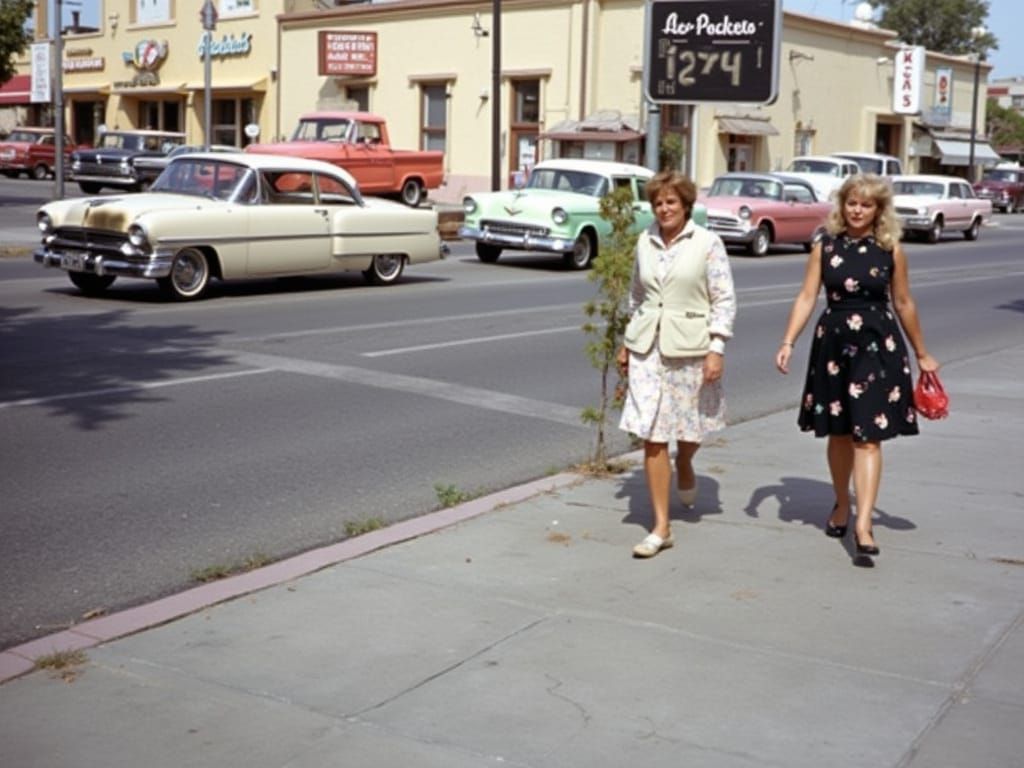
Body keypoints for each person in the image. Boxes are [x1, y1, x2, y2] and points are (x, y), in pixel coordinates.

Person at [775, 173, 938, 557]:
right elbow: (806, 296)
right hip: (833, 344)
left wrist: (922, 353)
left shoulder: (891, 249)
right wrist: (787, 341)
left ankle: (864, 524)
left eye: (866, 204)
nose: (857, 210)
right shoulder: (825, 246)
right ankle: (841, 503)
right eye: (852, 202)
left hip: (877, 346)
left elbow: (903, 303)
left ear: (878, 210)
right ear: (842, 205)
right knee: (840, 432)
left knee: (869, 436)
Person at [617, 170, 736, 558]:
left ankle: (685, 463)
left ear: (686, 205)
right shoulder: (644, 241)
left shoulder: (708, 243)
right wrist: (626, 340)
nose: (664, 209)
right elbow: (637, 294)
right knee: (652, 434)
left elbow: (724, 299)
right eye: (658, 203)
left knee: (689, 426)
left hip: (690, 346)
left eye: (671, 202)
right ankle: (661, 527)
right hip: (647, 347)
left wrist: (716, 347)